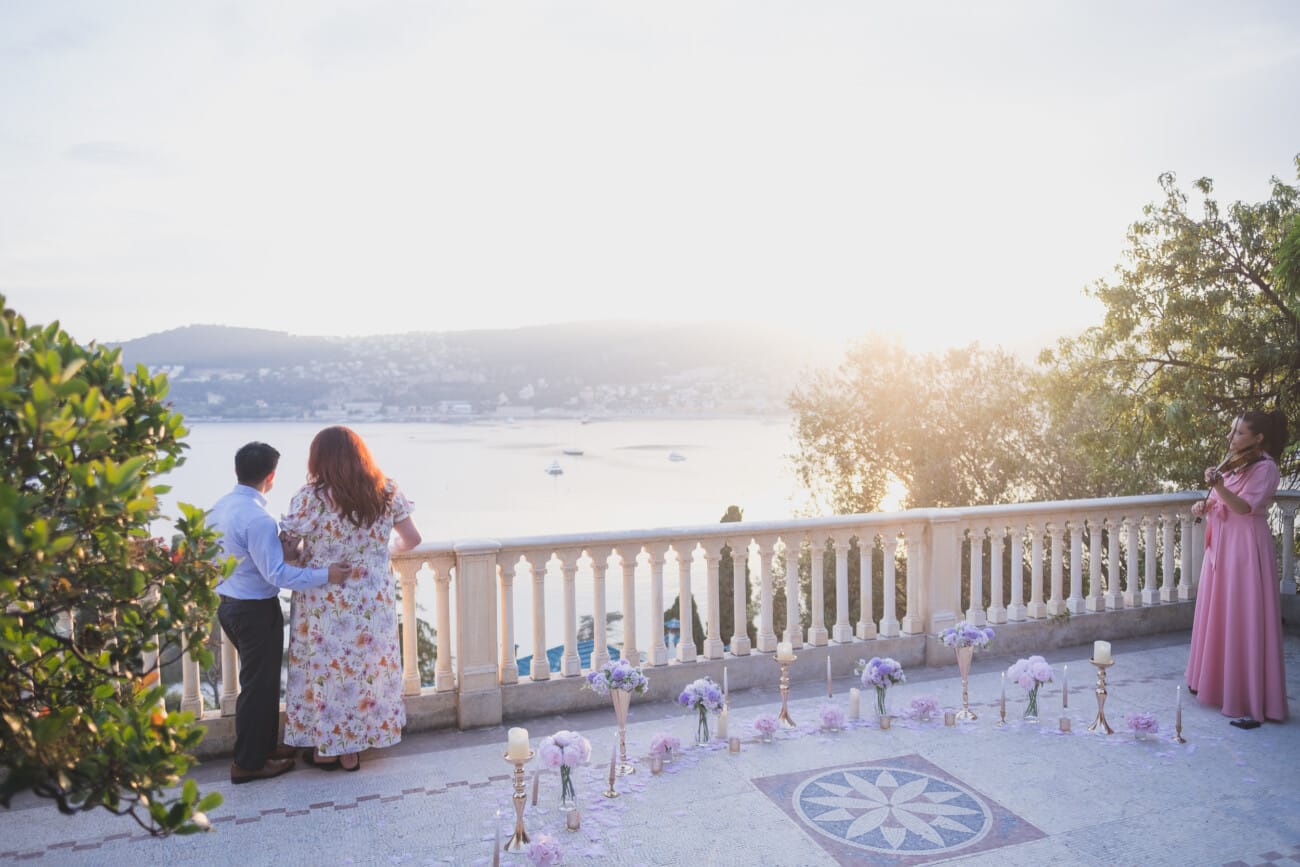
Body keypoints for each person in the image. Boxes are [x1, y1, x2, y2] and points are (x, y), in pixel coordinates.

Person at [281, 426, 422, 772]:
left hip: (324, 598)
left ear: (318, 458)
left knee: (326, 671)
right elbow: (413, 539)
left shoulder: (309, 497)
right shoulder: (386, 490)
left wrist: (302, 556)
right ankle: (351, 750)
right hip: (372, 599)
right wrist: (382, 552)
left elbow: (287, 550)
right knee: (365, 670)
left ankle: (327, 750)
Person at [210, 442, 350, 784]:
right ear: (271, 477)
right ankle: (248, 763)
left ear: (236, 471)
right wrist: (326, 575)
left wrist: (283, 553)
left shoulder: (219, 508)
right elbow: (278, 575)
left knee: (261, 683)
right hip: (254, 610)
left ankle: (263, 749)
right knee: (258, 687)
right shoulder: (258, 519)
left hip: (230, 603)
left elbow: (249, 560)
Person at [1185, 410, 1290, 727]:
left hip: (1245, 548)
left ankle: (1249, 699)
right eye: (1232, 431)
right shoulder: (1234, 462)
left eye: (1239, 432)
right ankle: (1214, 683)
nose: (1231, 437)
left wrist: (1219, 488)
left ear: (1258, 438)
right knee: (1220, 611)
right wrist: (1206, 503)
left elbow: (1245, 507)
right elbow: (1225, 502)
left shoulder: (1266, 468)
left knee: (1244, 615)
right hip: (1223, 545)